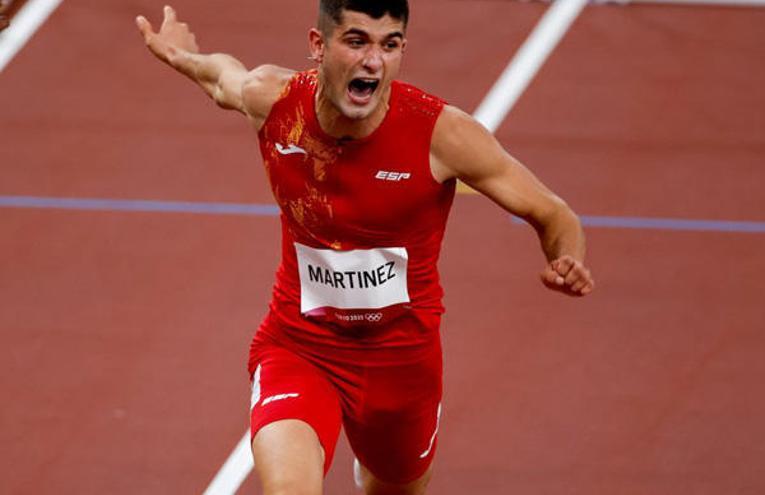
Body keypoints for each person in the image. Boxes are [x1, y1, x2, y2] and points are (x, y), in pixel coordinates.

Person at [136, 2, 594, 494]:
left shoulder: (442, 134)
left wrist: (566, 257)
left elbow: (552, 212)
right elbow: (224, 78)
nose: (374, 61)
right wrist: (187, 57)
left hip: (401, 366)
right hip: (300, 346)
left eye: (389, 44)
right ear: (318, 46)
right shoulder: (274, 100)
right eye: (357, 41)